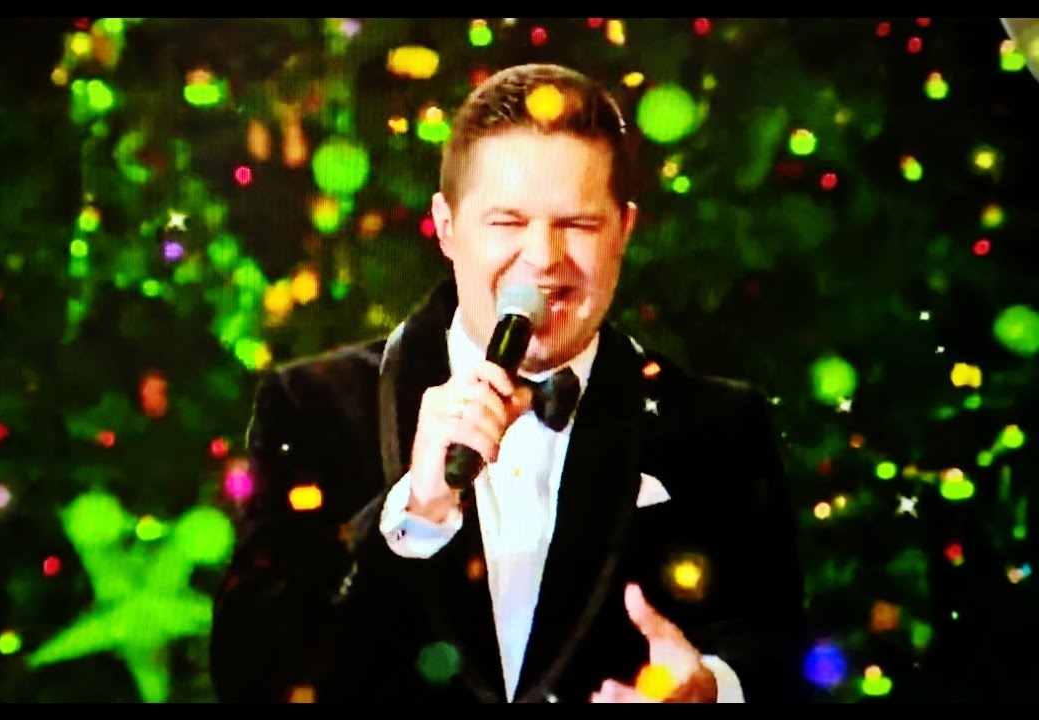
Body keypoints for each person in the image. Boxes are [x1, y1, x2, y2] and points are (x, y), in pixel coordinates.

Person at [209, 63, 807, 704]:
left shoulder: (719, 426)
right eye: (507, 222)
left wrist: (714, 690)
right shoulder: (314, 407)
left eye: (578, 224)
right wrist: (413, 510)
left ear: (623, 231)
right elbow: (252, 674)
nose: (543, 258)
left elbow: (776, 658)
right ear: (446, 228)